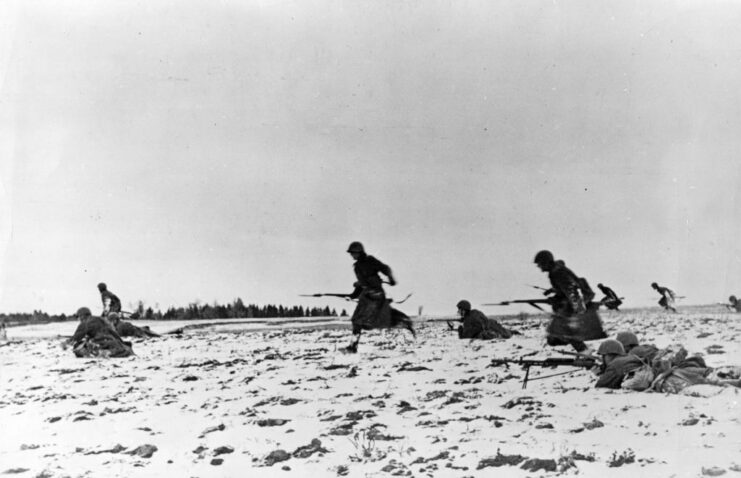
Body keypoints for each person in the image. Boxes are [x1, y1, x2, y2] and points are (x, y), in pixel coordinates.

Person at [342, 242, 415, 353]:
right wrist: (353, 294)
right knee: (360, 321)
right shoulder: (357, 267)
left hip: (375, 295)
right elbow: (363, 284)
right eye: (351, 253)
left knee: (363, 321)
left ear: (359, 252)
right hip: (367, 295)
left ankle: (353, 347)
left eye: (353, 253)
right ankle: (353, 347)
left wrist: (391, 279)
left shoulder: (370, 261)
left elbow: (385, 268)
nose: (351, 255)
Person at [533, 250, 606, 353]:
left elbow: (571, 289)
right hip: (573, 302)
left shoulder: (557, 272)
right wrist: (553, 292)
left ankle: (584, 351)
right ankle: (583, 350)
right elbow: (564, 287)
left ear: (546, 262)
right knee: (559, 333)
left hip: (575, 303)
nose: (539, 267)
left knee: (564, 329)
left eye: (540, 264)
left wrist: (577, 309)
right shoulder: (556, 271)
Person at [65, 307, 134, 358]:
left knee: (77, 347)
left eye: (79, 317)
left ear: (82, 315)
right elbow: (114, 333)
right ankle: (111, 352)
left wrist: (66, 342)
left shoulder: (85, 322)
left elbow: (76, 338)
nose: (79, 319)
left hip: (100, 343)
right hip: (114, 342)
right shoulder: (103, 319)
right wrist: (122, 342)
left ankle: (102, 352)